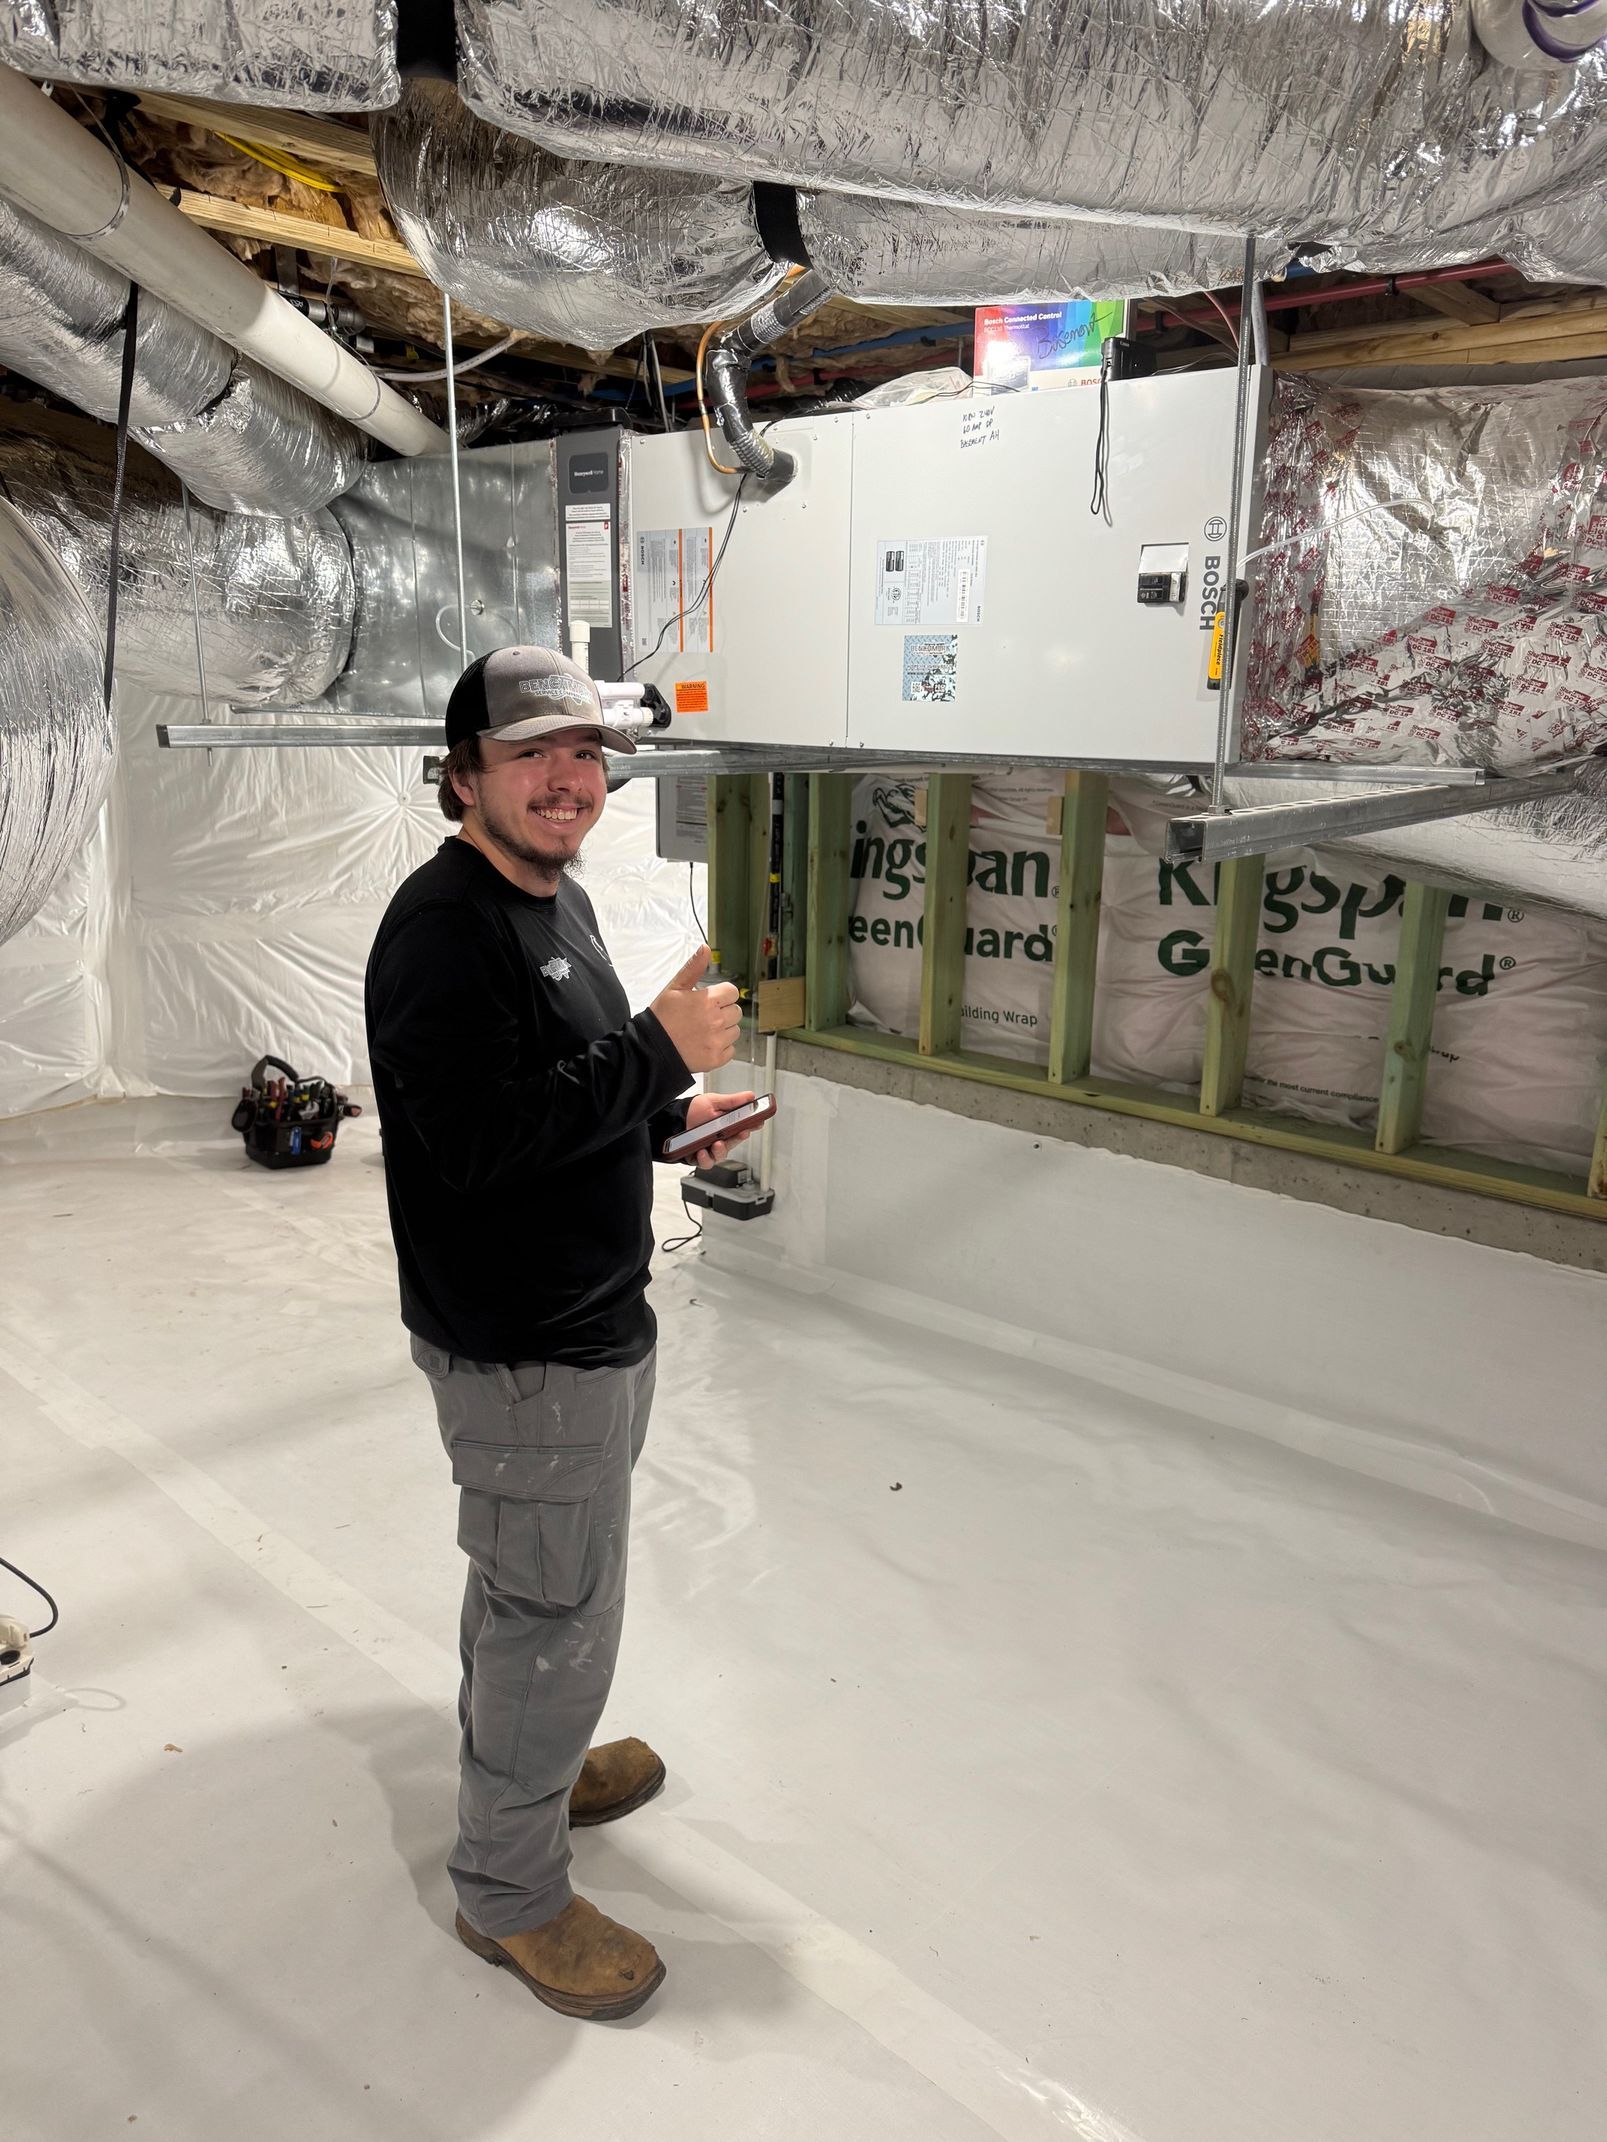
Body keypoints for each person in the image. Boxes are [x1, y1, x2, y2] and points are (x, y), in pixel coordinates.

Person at [365, 645, 755, 2021]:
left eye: (584, 753)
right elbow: (469, 1145)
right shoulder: (442, 928)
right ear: (463, 772)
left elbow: (560, 1089)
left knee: (536, 1590)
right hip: (525, 1346)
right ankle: (509, 1889)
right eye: (531, 752)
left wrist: (663, 1116)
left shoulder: (554, 897)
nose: (565, 777)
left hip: (591, 1320)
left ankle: (532, 1762)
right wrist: (660, 1053)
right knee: (553, 1609)